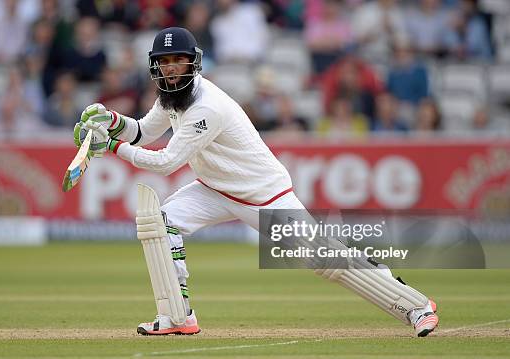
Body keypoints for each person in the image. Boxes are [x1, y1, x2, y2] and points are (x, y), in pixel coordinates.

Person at [73, 27, 439, 337]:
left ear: (192, 62)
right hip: (216, 189)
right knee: (159, 222)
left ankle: (414, 305)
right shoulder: (171, 95)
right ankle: (177, 317)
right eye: (164, 62)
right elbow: (144, 131)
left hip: (264, 195)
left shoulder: (206, 105)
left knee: (325, 263)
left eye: (177, 61)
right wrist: (111, 119)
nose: (170, 69)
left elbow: (167, 162)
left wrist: (112, 147)